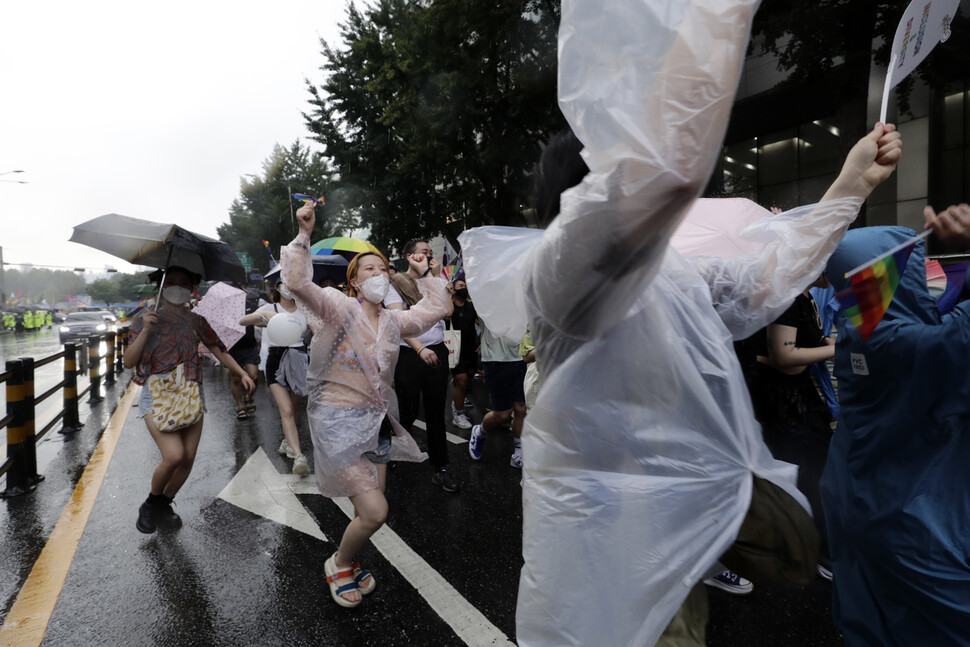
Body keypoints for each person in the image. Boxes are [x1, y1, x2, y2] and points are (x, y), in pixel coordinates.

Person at [459, 0, 902, 642]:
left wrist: (849, 185)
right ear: (583, 203)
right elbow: (661, 170)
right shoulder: (564, 271)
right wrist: (712, 17)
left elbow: (763, 279)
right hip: (602, 552)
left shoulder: (665, 273)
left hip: (670, 540)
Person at [281, 202, 450, 608]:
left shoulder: (393, 322)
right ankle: (339, 563)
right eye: (368, 269)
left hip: (376, 423)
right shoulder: (338, 309)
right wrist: (303, 235)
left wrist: (427, 273)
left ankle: (350, 559)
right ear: (354, 283)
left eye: (383, 269)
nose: (379, 274)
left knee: (371, 510)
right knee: (375, 511)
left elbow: (436, 310)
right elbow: (298, 283)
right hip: (337, 421)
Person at [819, 212, 970, 646]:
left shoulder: (858, 334)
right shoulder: (917, 347)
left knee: (873, 617)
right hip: (915, 522)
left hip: (855, 501)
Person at [124, 266, 255, 534]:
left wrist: (241, 372)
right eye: (171, 282)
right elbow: (129, 361)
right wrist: (147, 330)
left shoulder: (196, 321)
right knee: (173, 456)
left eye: (184, 283)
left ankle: (164, 504)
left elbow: (218, 349)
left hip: (192, 390)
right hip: (158, 394)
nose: (177, 286)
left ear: (192, 289)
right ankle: (151, 504)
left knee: (188, 459)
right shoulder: (144, 320)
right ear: (160, 286)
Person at [744, 275, 836, 581]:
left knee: (811, 471)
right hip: (786, 401)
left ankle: (806, 546)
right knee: (811, 474)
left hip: (795, 396)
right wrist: (834, 349)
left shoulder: (805, 297)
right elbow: (787, 357)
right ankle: (818, 552)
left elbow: (797, 348)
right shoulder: (788, 298)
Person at [385, 237, 459, 494]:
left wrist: (434, 279)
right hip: (409, 353)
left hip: (437, 349)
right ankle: (396, 453)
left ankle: (442, 468)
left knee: (436, 412)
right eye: (423, 253)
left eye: (430, 253)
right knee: (407, 410)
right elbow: (398, 321)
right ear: (409, 257)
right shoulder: (396, 283)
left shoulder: (434, 279)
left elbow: (447, 312)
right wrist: (420, 348)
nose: (429, 256)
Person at [239, 278, 311, 476]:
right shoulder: (270, 307)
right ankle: (299, 457)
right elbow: (243, 321)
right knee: (286, 409)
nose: (290, 288)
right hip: (276, 361)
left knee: (295, 408)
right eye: (285, 284)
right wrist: (265, 315)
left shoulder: (305, 309)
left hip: (300, 360)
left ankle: (288, 442)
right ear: (278, 287)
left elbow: (317, 331)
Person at [468, 320, 527, 468]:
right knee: (503, 415)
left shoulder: (518, 299)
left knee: (521, 408)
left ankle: (518, 453)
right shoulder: (488, 300)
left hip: (520, 357)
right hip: (495, 360)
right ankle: (479, 431)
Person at [447, 276, 478, 429]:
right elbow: (446, 315)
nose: (463, 287)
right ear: (453, 289)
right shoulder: (449, 306)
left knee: (467, 381)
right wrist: (448, 295)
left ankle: (457, 399)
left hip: (471, 350)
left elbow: (482, 324)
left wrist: (482, 344)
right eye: (460, 285)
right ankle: (458, 415)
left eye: (465, 285)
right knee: (462, 381)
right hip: (455, 349)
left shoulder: (472, 306)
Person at [227, 286, 262, 419]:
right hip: (233, 347)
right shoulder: (227, 310)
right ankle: (240, 406)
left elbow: (258, 321)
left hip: (250, 346)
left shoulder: (251, 306)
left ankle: (248, 397)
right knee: (235, 378)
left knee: (254, 376)